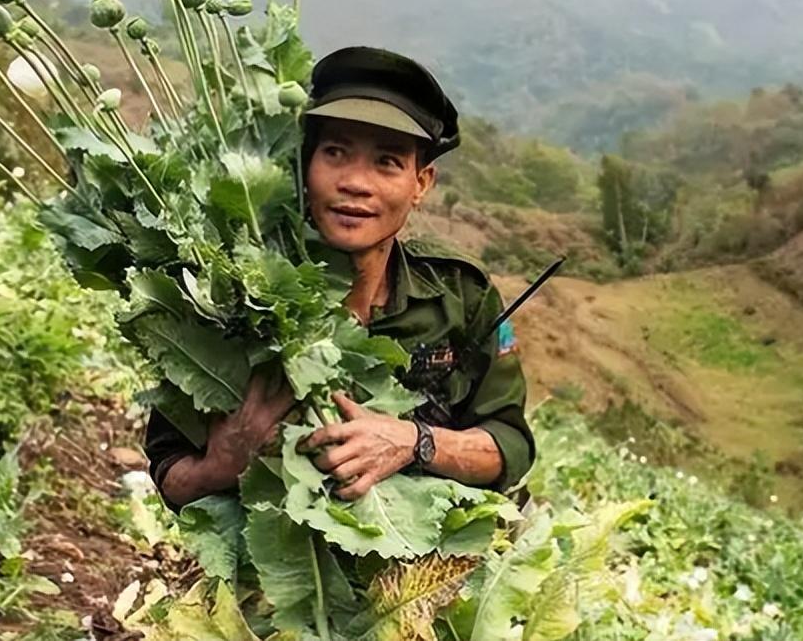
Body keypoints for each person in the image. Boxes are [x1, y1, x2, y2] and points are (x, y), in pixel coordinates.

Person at [144, 46, 534, 511]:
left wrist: (414, 442)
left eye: (386, 161)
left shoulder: (461, 294)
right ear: (304, 167)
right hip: (283, 569)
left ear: (421, 183)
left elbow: (509, 444)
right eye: (335, 152)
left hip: (427, 563)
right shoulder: (235, 301)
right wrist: (224, 463)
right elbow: (170, 476)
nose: (355, 182)